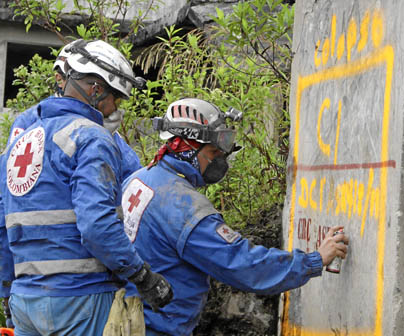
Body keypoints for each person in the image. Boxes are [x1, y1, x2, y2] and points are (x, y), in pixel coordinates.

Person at [121, 98, 349, 336]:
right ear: (184, 147)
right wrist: (314, 260)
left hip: (128, 320)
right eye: (212, 152)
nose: (219, 160)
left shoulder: (138, 179)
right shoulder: (182, 205)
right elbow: (243, 265)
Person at [0, 39, 172, 335]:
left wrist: (7, 291)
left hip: (25, 301)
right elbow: (96, 226)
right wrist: (143, 277)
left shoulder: (20, 142)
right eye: (115, 99)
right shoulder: (92, 137)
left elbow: (3, 227)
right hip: (81, 301)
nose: (114, 108)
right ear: (96, 90)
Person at [7, 39, 142, 180]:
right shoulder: (30, 120)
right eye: (71, 77)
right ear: (59, 79)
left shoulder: (104, 128)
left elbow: (131, 172)